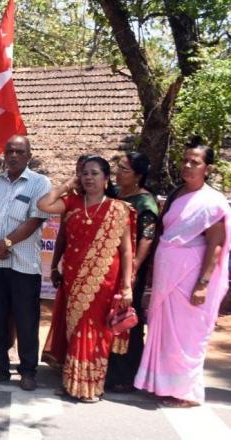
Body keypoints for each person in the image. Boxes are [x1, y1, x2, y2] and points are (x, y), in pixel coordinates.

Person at [135, 142, 231, 408]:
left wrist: (202, 284)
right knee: (164, 331)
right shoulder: (177, 193)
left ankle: (186, 392)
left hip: (191, 278)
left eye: (195, 162)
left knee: (186, 336)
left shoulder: (212, 202)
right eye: (186, 160)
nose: (188, 166)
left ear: (207, 168)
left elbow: (217, 245)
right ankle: (163, 385)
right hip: (169, 275)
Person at [37, 156, 134, 402]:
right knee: (76, 327)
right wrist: (67, 184)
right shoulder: (71, 203)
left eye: (94, 173)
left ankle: (90, 385)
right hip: (73, 277)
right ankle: (73, 382)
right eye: (85, 174)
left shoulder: (118, 209)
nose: (89, 178)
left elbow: (125, 250)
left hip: (104, 280)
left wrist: (126, 285)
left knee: (94, 330)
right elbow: (44, 205)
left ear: (106, 179)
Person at [0, 135, 50, 391]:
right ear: (3, 154)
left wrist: (3, 244)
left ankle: (28, 371)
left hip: (24, 264)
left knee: (26, 318)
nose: (14, 155)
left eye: (19, 151)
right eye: (9, 150)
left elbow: (35, 220)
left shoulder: (40, 183)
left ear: (28, 155)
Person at [105, 152, 158, 392]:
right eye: (119, 167)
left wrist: (133, 268)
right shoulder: (116, 193)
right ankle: (107, 367)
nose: (118, 172)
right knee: (110, 316)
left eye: (125, 169)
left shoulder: (145, 203)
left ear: (138, 176)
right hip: (110, 266)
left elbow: (147, 238)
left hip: (131, 269)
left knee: (128, 320)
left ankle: (127, 374)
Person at [42, 153, 93, 368]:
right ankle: (68, 364)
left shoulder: (111, 203)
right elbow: (45, 206)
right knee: (67, 316)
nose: (83, 177)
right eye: (80, 172)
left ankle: (85, 366)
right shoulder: (70, 201)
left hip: (98, 274)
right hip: (71, 270)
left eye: (89, 173)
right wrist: (54, 266)